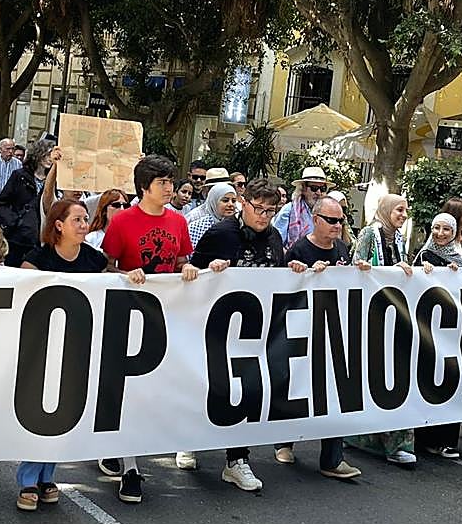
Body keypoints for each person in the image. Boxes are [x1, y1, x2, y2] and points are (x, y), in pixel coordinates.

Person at [99, 154, 199, 505]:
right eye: (163, 183)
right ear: (144, 187)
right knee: (130, 391)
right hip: (128, 316)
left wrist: (189, 269)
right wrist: (124, 275)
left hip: (164, 316)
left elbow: (183, 260)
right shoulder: (123, 222)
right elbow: (105, 266)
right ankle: (130, 466)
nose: (170, 188)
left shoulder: (178, 221)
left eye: (171, 182)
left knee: (152, 392)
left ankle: (121, 451)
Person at [189, 177, 290, 492]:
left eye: (269, 210)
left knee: (248, 392)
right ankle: (189, 439)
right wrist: (210, 270)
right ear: (244, 203)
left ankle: (237, 459)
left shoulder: (274, 237)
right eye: (257, 208)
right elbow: (190, 275)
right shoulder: (221, 233)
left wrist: (295, 270)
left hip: (254, 332)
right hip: (215, 328)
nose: (262, 215)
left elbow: (279, 277)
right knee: (207, 386)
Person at [16, 199, 110, 510]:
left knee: (61, 412)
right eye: (78, 220)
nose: (85, 225)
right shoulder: (36, 259)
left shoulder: (95, 260)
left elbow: (116, 280)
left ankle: (47, 474)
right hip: (41, 347)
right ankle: (28, 478)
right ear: (59, 225)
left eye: (86, 220)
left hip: (77, 347)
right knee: (37, 411)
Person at [274, 195, 365, 478]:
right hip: (302, 330)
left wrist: (356, 272)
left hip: (332, 329)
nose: (338, 226)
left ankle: (332, 459)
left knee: (335, 390)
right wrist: (301, 273)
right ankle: (284, 442)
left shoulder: (342, 247)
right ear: (316, 220)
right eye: (332, 220)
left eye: (341, 220)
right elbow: (281, 287)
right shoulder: (299, 249)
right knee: (296, 386)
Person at [350, 193, 416, 466]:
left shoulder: (399, 239)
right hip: (370, 314)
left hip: (393, 315)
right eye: (399, 210)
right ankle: (364, 437)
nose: (402, 215)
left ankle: (396, 441)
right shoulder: (369, 233)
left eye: (405, 211)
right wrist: (374, 268)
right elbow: (356, 264)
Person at [412, 213, 462, 458]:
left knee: (452, 380)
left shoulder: (459, 259)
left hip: (452, 331)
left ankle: (447, 440)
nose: (441, 233)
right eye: (436, 228)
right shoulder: (423, 256)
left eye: (446, 229)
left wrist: (457, 273)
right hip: (427, 329)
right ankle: (424, 439)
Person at [0, 140, 50, 266]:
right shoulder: (19, 176)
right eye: (46, 155)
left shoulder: (53, 181)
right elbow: (1, 202)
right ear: (38, 154)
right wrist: (14, 221)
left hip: (41, 238)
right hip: (18, 237)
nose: (49, 159)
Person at [272, 166, 332, 249]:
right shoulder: (289, 210)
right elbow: (275, 243)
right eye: (314, 188)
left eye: (322, 189)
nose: (318, 192)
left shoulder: (328, 213)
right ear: (303, 188)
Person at [186, 181, 238, 246]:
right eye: (225, 200)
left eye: (233, 201)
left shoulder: (239, 226)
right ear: (214, 202)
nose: (231, 204)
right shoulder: (197, 227)